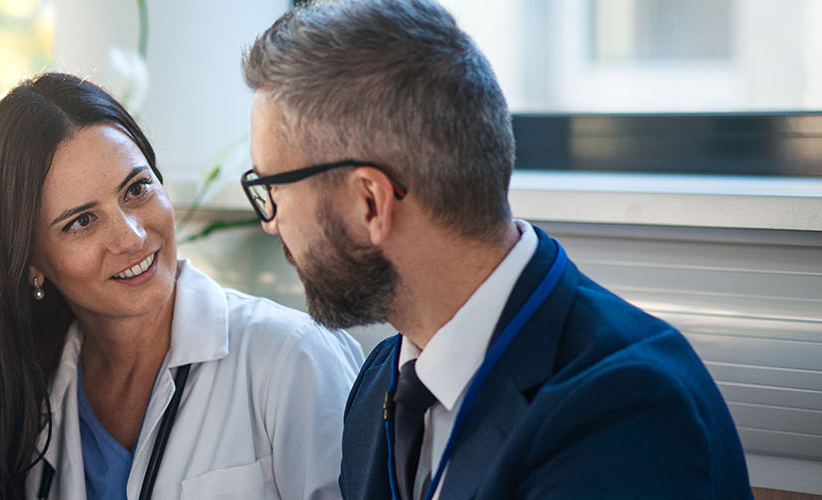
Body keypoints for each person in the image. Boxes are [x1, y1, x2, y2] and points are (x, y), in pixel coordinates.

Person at [239, 1, 752, 499]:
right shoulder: (380, 383)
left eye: (273, 191)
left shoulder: (627, 412)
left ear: (369, 202)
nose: (270, 223)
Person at [0, 72, 364, 500]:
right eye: (82, 221)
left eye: (137, 188)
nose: (132, 237)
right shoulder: (32, 397)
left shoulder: (292, 358)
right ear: (30, 261)